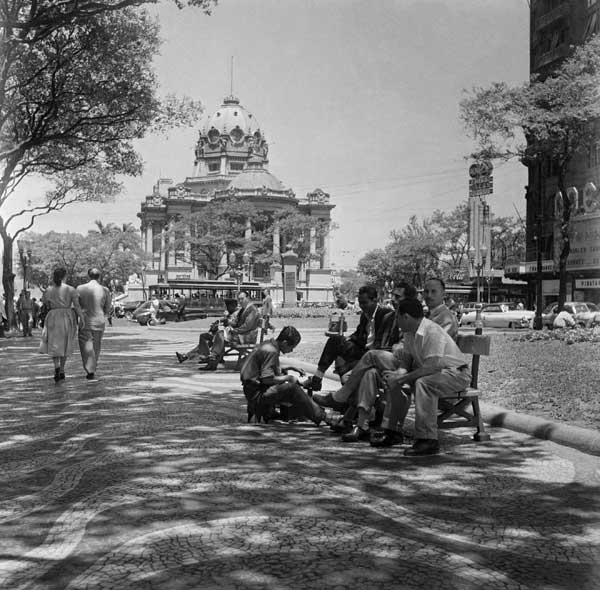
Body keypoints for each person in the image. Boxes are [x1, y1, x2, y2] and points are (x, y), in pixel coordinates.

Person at [313, 282, 416, 442]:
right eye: (393, 296)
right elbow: (375, 341)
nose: (393, 300)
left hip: (402, 365)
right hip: (383, 359)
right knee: (367, 371)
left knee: (369, 359)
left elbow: (404, 345)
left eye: (398, 297)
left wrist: (397, 347)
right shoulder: (391, 317)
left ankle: (344, 402)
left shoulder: (404, 316)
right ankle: (361, 426)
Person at [379, 298, 471, 456]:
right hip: (438, 373)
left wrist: (401, 379)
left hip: (456, 373)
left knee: (424, 383)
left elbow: (432, 367)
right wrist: (396, 376)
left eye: (397, 317)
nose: (397, 321)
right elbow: (406, 362)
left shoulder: (432, 331)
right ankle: (392, 431)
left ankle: (428, 440)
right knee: (395, 381)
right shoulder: (409, 333)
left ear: (406, 317)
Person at [302, 285, 394, 392]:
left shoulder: (385, 315)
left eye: (365, 303)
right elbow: (358, 334)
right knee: (336, 341)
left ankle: (345, 393)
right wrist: (346, 339)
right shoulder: (364, 316)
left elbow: (385, 340)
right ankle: (318, 378)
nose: (362, 306)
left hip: (375, 355)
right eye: (360, 302)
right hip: (362, 350)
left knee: (340, 354)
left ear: (375, 300)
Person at [241, 326, 326, 426]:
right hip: (256, 393)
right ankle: (321, 415)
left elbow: (267, 367)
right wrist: (288, 378)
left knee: (285, 377)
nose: (292, 350)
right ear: (285, 343)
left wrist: (290, 367)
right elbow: (266, 379)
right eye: (291, 347)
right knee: (292, 388)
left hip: (250, 388)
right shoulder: (271, 351)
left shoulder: (268, 344)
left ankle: (274, 411)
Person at [39, 268, 84, 382]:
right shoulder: (71, 289)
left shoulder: (48, 290)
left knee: (54, 342)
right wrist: (81, 318)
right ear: (65, 276)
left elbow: (45, 302)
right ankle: (63, 370)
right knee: (65, 342)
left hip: (53, 316)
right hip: (67, 316)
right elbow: (77, 306)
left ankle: (56, 367)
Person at [199, 290, 260, 371]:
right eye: (239, 299)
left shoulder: (252, 310)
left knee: (220, 335)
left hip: (246, 336)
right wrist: (230, 325)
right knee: (220, 333)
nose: (240, 301)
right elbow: (237, 322)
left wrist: (233, 330)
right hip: (241, 334)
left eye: (242, 299)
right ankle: (213, 359)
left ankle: (213, 359)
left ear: (248, 298)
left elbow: (247, 327)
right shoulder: (244, 309)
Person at [76, 268, 111, 381]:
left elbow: (76, 306)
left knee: (86, 346)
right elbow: (108, 307)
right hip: (99, 320)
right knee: (96, 345)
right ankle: (93, 367)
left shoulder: (80, 288)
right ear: (99, 276)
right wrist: (103, 313)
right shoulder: (105, 290)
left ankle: (89, 369)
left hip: (85, 320)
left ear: (88, 276)